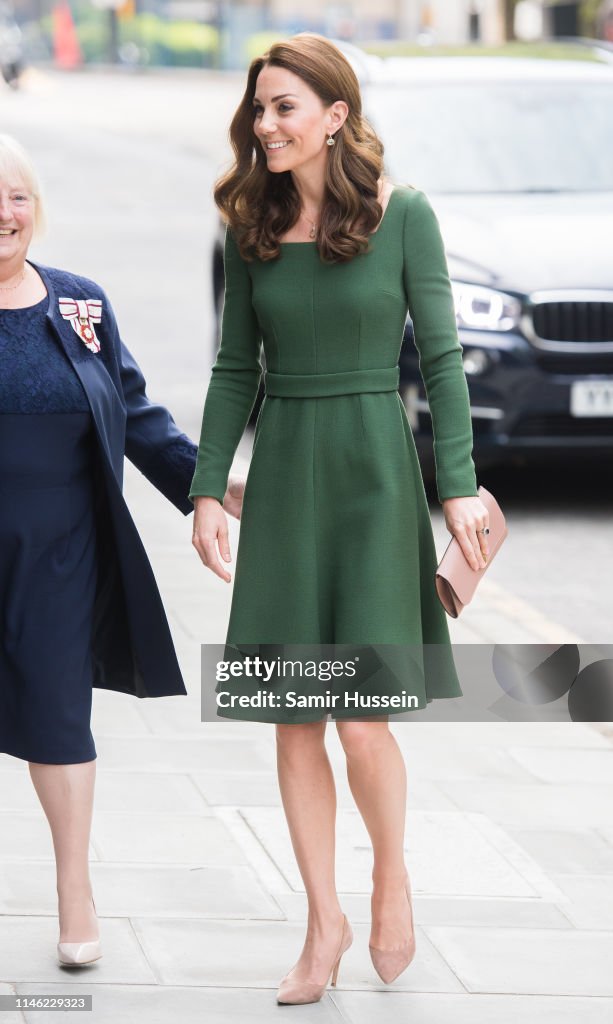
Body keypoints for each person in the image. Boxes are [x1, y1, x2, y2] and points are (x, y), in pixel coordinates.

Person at [190, 34, 490, 1004]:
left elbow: (440, 363)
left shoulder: (404, 216)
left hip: (371, 480)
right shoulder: (249, 225)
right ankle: (322, 924)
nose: (265, 124)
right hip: (284, 481)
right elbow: (236, 365)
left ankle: (389, 876)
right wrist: (205, 488)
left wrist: (456, 486)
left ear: (333, 116)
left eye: (284, 107)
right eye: (259, 109)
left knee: (363, 722)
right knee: (293, 717)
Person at [0, 133, 244, 968]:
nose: (5, 213)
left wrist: (206, 485)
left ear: (37, 210)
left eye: (18, 197)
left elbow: (137, 414)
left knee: (60, 719)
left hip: (61, 550)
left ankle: (75, 891)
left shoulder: (79, 304)